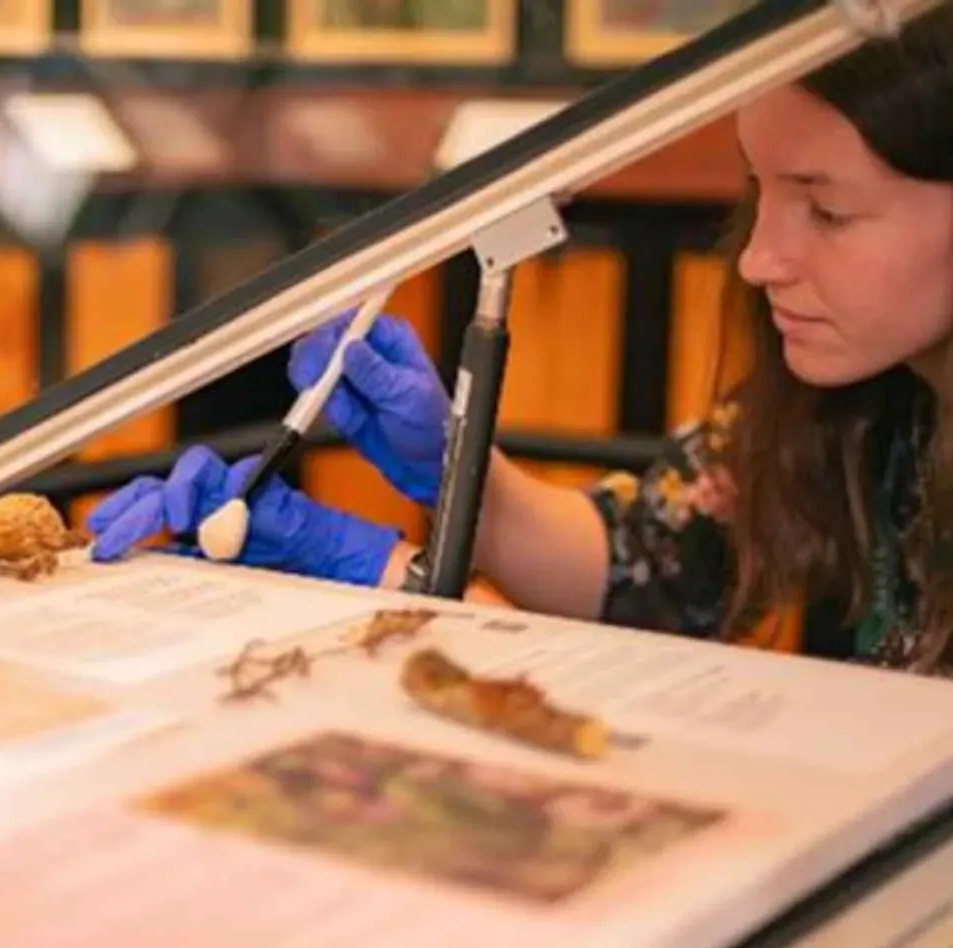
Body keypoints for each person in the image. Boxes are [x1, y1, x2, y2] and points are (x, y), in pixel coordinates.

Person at [85, 5, 953, 675]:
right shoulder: (857, 399)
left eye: (829, 211)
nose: (761, 259)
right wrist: (466, 478)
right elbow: (651, 571)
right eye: (758, 190)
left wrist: (407, 588)